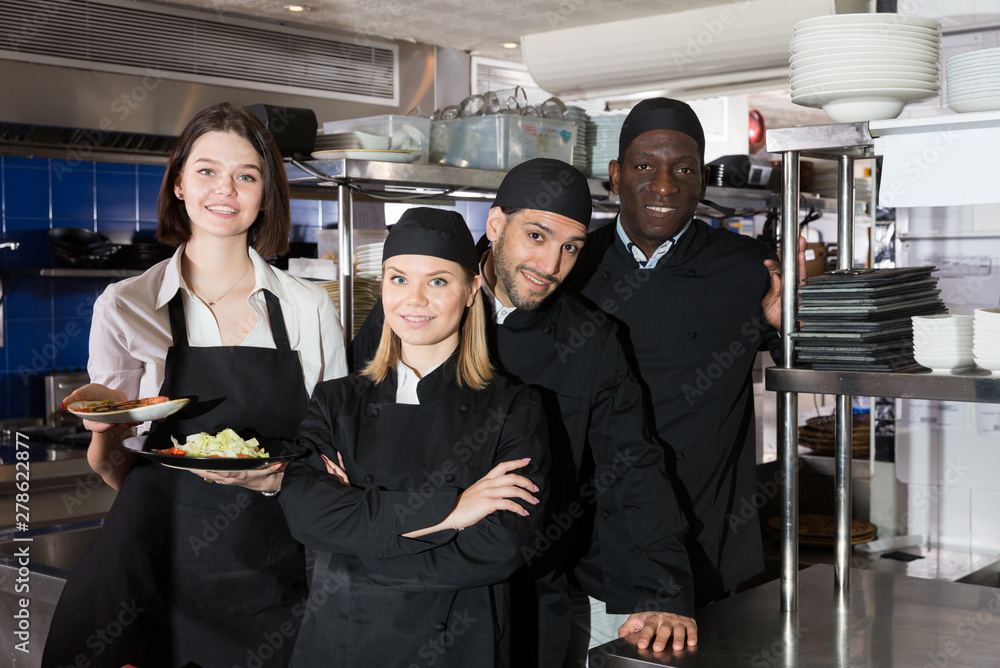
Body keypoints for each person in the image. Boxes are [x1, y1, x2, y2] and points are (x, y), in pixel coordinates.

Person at [351, 159, 697, 666]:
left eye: (570, 247)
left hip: (530, 597)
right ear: (495, 226)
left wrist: (665, 589)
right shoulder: (411, 309)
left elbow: (634, 465)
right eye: (536, 235)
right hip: (400, 591)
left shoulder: (592, 341)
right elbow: (355, 436)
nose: (551, 264)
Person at [43, 102, 348, 668]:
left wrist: (276, 482)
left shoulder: (307, 306)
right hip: (151, 560)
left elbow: (338, 447)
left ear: (265, 195)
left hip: (270, 563)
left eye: (246, 175)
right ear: (179, 183)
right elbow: (109, 456)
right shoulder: (127, 304)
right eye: (206, 170)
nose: (224, 189)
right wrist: (103, 433)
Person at [276, 207, 549, 667]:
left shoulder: (514, 407)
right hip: (343, 644)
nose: (413, 299)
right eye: (398, 279)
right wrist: (454, 510)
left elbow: (502, 546)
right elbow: (307, 517)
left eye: (438, 281)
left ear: (470, 292)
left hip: (460, 645)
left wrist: (359, 533)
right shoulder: (336, 401)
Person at [565, 97, 800, 611]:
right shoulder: (573, 268)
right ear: (615, 175)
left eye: (684, 169)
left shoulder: (747, 269)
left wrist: (793, 329)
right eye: (644, 166)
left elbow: (812, 373)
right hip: (590, 542)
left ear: (703, 182)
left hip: (708, 539)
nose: (665, 185)